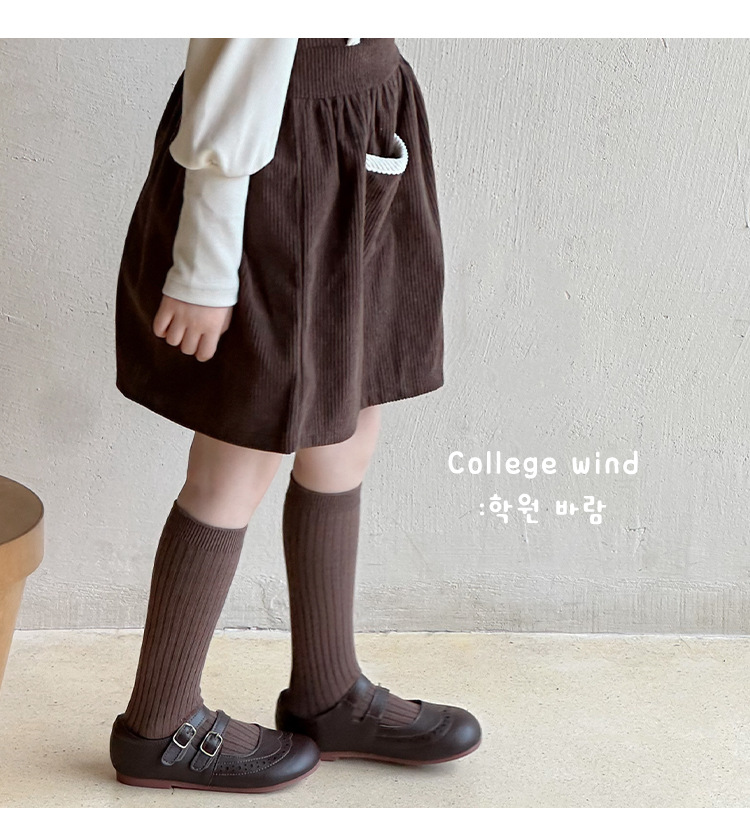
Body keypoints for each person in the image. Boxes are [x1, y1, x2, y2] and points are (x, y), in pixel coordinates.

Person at [110, 37, 482, 794]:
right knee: (240, 449)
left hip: (367, 127)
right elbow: (233, 58)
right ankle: (158, 722)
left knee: (348, 429)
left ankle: (328, 691)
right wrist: (206, 265)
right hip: (278, 157)